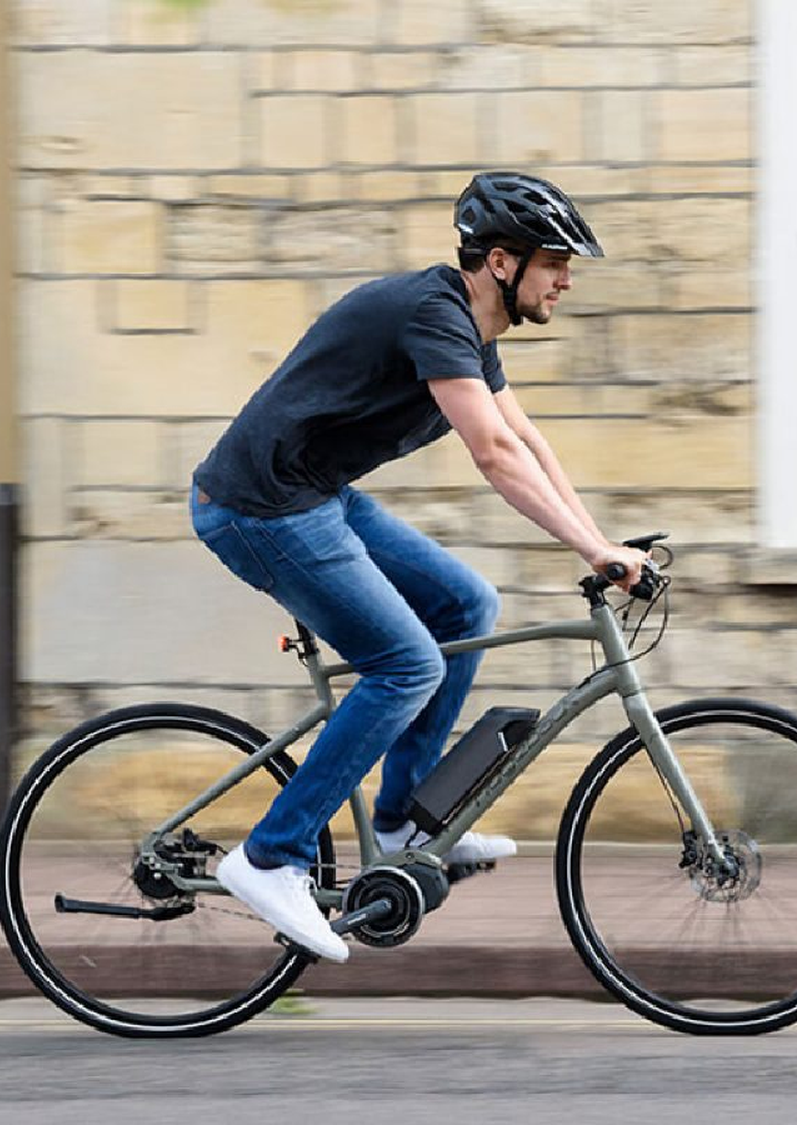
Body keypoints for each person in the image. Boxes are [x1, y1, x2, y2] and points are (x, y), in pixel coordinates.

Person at [189, 172, 648, 962]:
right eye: (556, 263)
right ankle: (270, 856)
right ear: (502, 262)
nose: (567, 280)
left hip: (315, 495)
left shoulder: (473, 330)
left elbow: (528, 440)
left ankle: (400, 817)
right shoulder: (435, 315)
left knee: (466, 604)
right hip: (258, 506)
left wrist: (602, 541)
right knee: (404, 664)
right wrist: (590, 552)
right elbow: (494, 455)